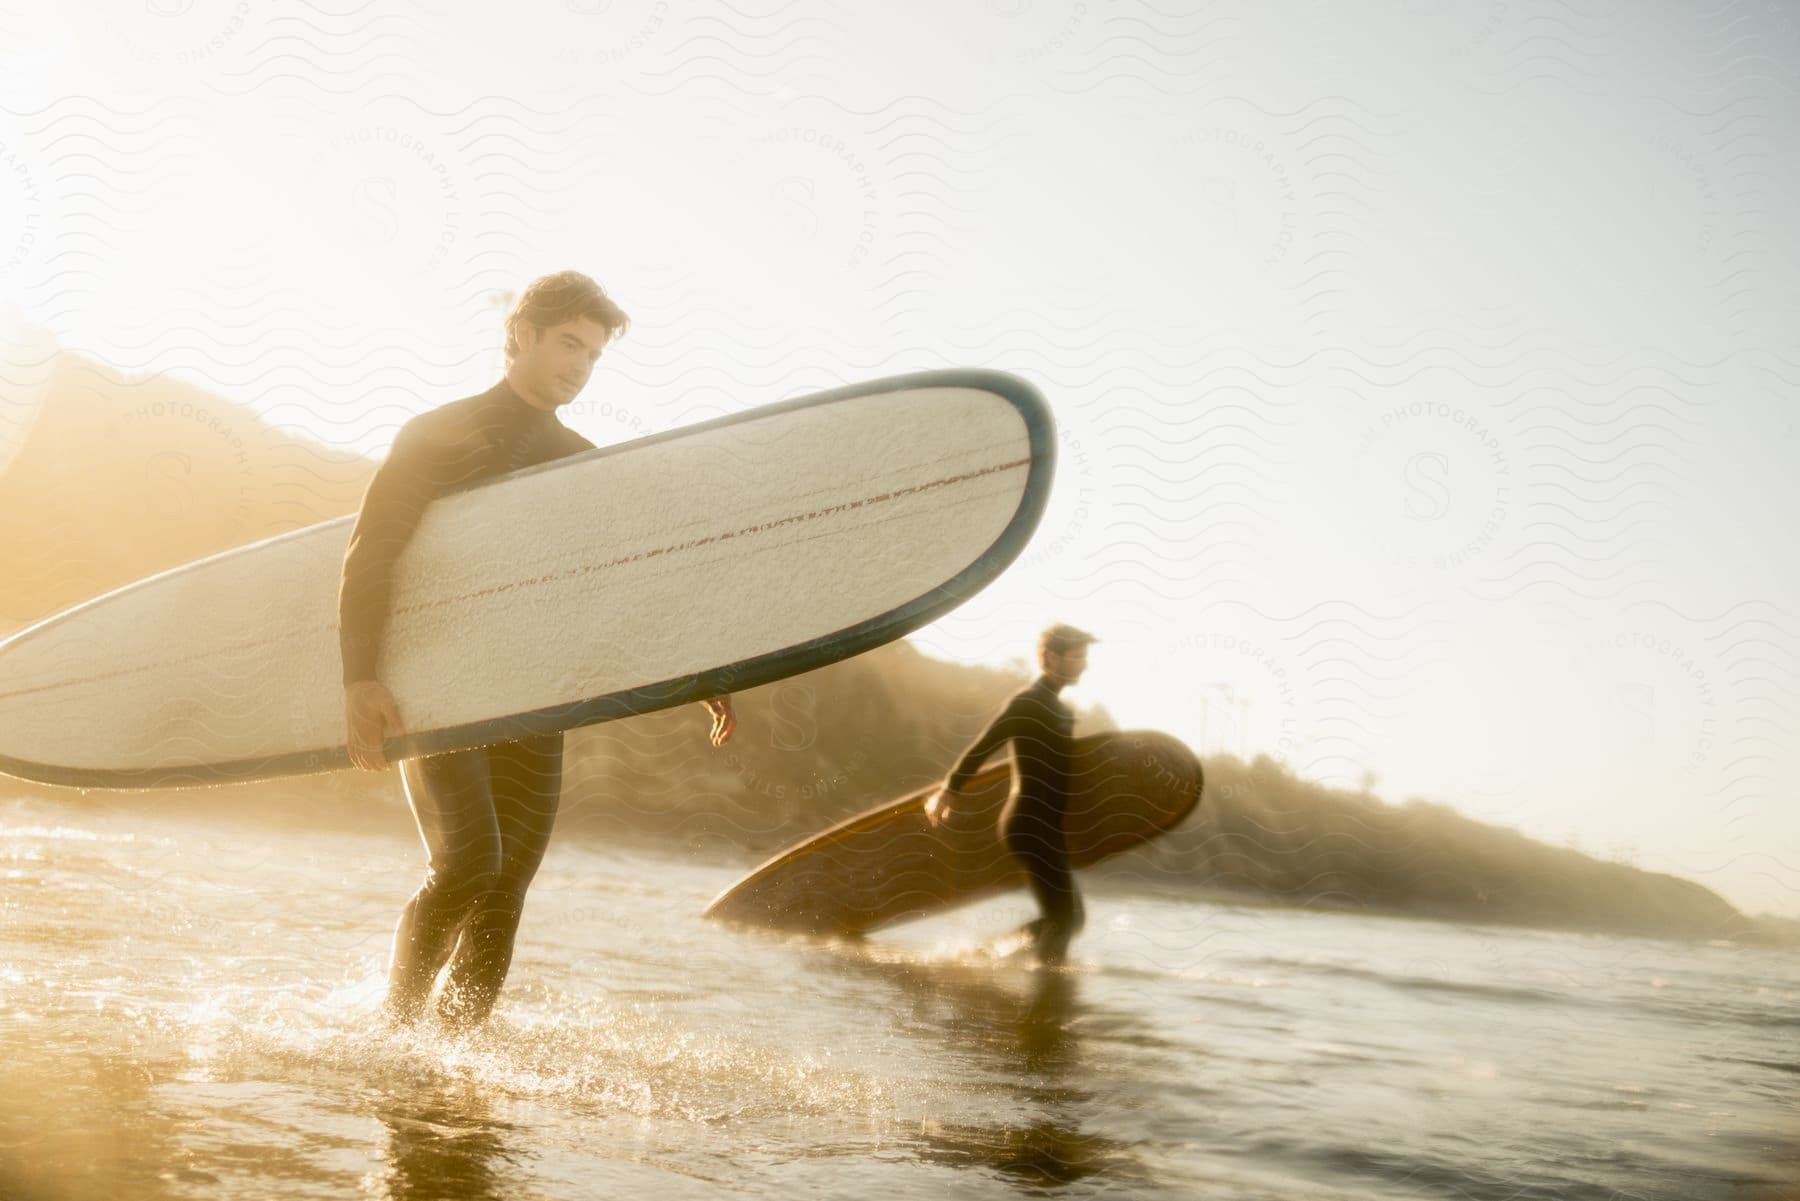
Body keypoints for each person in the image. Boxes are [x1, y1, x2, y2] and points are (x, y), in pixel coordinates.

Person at [338, 270, 738, 1030]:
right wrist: (360, 676)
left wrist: (697, 668)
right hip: (443, 682)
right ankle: (394, 1035)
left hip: (533, 692)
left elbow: (613, 586)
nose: (579, 366)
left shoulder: (582, 462)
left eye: (592, 355)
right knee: (467, 865)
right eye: (567, 344)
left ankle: (456, 1057)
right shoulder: (437, 434)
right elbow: (371, 557)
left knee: (508, 883)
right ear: (520, 335)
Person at [926, 624, 1096, 966]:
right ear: (1051, 658)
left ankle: (987, 957)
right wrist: (949, 790)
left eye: (1084, 657)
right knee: (1065, 918)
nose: (1084, 665)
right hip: (1027, 823)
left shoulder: (1060, 710)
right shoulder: (1028, 703)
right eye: (1077, 657)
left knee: (1068, 918)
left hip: (1047, 827)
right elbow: (985, 746)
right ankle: (1044, 986)